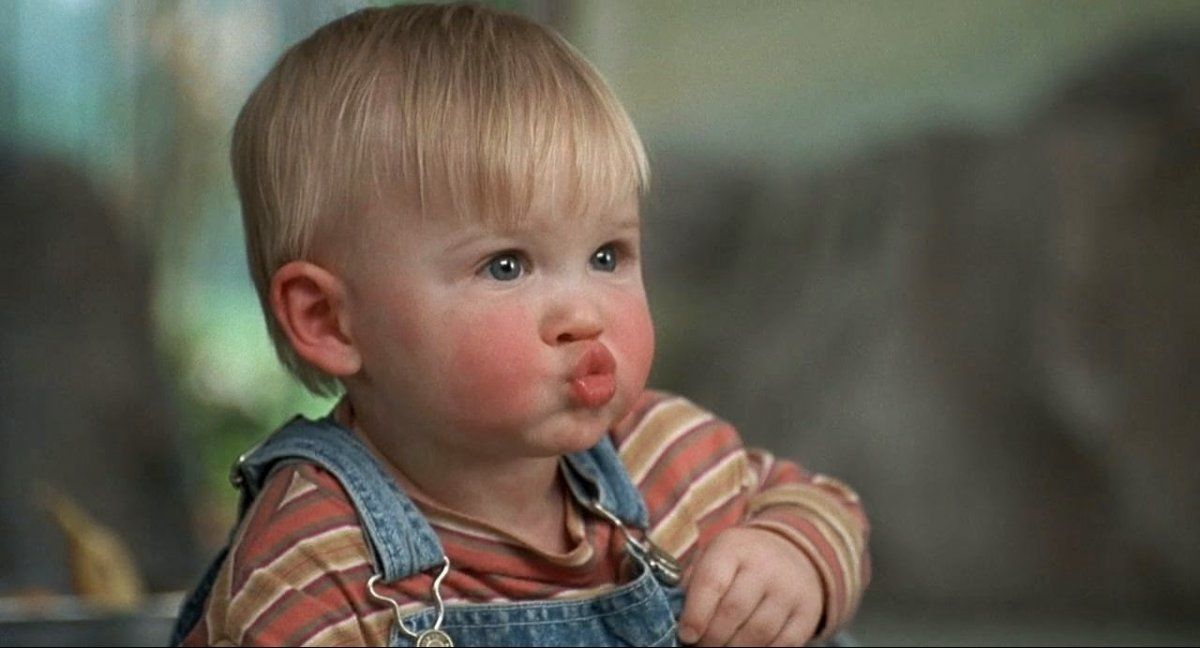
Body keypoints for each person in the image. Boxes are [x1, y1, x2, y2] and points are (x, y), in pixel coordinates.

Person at [172, 3, 869, 646]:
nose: (585, 314)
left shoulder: (664, 456)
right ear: (331, 320)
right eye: (506, 266)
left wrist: (792, 556)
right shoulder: (313, 566)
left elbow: (825, 508)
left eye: (607, 255)